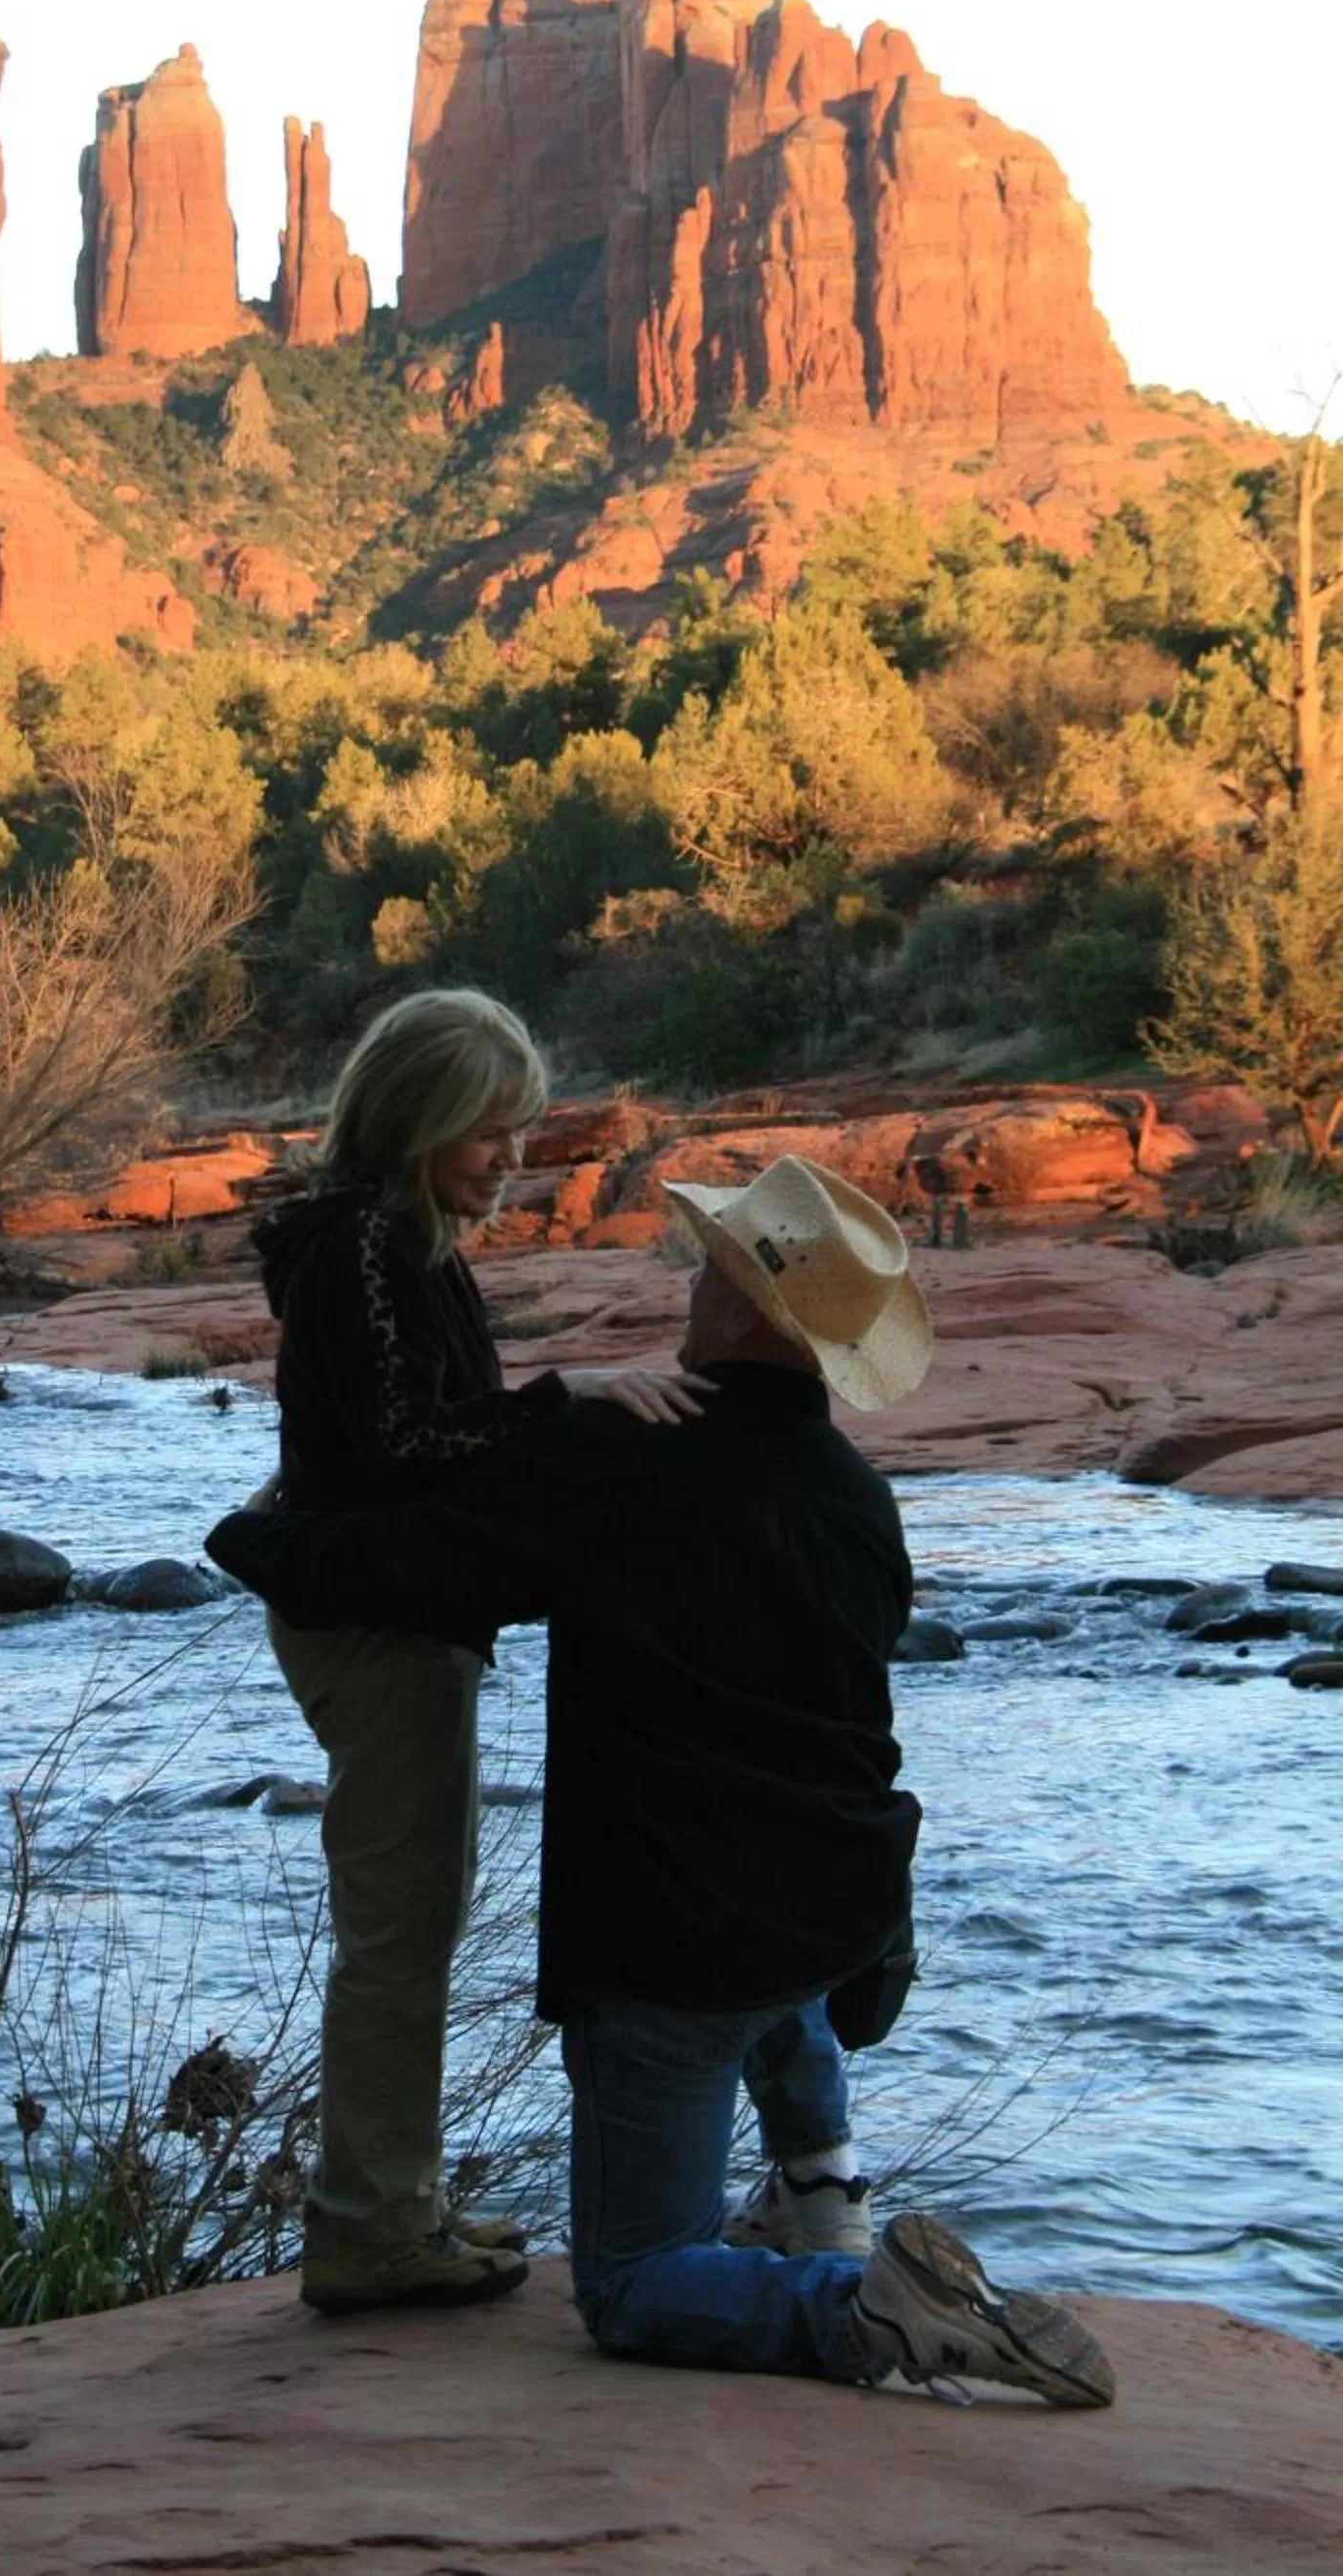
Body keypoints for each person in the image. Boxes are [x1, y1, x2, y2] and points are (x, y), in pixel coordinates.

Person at [212, 1157, 1116, 2407]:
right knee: (778, 1930)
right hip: (831, 1912)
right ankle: (824, 2191)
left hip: (671, 1949)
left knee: (632, 2282)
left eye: (710, 1271)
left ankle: (864, 2309)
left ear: (742, 1311)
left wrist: (252, 1538)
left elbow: (422, 1567)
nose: (689, 1287)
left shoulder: (625, 1456)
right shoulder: (856, 1495)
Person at [253, 989, 706, 2318]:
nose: (512, 1156)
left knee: (415, 1920)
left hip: (390, 1613)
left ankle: (396, 2200)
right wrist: (571, 1399)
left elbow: (425, 1426)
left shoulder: (397, 1242)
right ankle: (371, 2230)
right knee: (399, 1931)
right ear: (415, 1120)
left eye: (519, 1130)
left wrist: (553, 1404)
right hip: (377, 1620)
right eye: (487, 1131)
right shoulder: (368, 1256)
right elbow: (406, 1446)